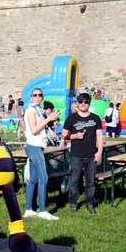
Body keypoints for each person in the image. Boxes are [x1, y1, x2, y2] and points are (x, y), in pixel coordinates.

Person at [61, 93, 103, 214]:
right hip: (76, 155)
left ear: (89, 103)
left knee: (90, 182)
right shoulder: (72, 118)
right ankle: (73, 203)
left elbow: (99, 136)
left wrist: (99, 152)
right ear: (78, 103)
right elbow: (64, 135)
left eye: (86, 102)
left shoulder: (95, 118)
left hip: (92, 155)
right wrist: (76, 136)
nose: (83, 104)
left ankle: (89, 203)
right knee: (74, 181)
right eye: (81, 101)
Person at [23, 88, 60, 221]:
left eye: (40, 95)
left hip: (38, 146)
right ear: (31, 97)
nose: (38, 97)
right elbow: (33, 130)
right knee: (43, 178)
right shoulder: (31, 111)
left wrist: (51, 120)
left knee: (33, 180)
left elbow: (42, 127)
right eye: (35, 95)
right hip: (33, 146)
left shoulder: (38, 110)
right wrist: (48, 119)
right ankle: (43, 210)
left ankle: (29, 209)